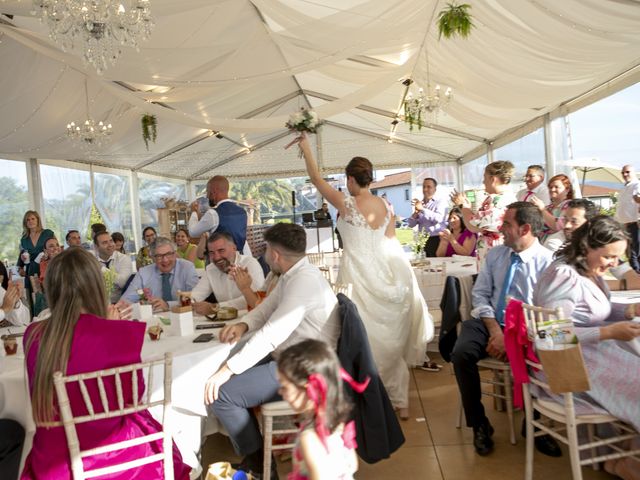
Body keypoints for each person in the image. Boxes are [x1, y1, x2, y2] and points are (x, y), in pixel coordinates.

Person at [21, 248, 191, 479]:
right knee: (159, 435)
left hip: (54, 458)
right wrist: (112, 329)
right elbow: (133, 397)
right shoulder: (113, 332)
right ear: (95, 286)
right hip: (111, 455)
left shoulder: (33, 334)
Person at [298, 134, 433, 420]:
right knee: (390, 343)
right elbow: (392, 245)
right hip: (386, 278)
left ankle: (367, 401)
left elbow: (315, 177)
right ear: (370, 179)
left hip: (357, 280)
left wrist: (306, 146)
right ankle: (400, 403)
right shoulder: (387, 208)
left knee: (363, 341)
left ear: (350, 179)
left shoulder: (346, 204)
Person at [204, 223, 341, 477]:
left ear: (275, 254)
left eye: (266, 249)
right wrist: (243, 324)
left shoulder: (303, 282)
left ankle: (261, 466)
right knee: (227, 369)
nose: (264, 254)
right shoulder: (295, 275)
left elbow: (272, 334)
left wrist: (227, 370)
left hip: (305, 367)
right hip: (296, 355)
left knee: (223, 394)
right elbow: (265, 311)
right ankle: (256, 457)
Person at [533, 216, 640, 480]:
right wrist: (608, 332)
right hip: (565, 365)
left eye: (618, 258)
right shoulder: (563, 276)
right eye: (609, 257)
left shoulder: (587, 272)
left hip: (589, 354)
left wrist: (628, 310)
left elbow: (591, 312)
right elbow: (548, 335)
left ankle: (624, 454)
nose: (614, 264)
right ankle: (623, 459)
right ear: (585, 248)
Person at [451, 202, 558, 457]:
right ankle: (479, 424)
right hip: (489, 322)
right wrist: (496, 332)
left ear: (525, 228)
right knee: (461, 353)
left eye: (507, 224)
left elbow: (547, 311)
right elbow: (480, 295)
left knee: (547, 351)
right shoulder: (496, 255)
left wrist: (511, 335)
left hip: (526, 327)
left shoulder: (548, 263)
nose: (500, 228)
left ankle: (535, 423)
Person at [277, 339, 358, 480]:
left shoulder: (309, 438)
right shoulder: (337, 423)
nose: (280, 392)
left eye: (285, 387)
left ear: (309, 390)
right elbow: (353, 464)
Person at [451, 161, 517, 263]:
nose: (483, 182)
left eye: (485, 178)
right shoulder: (507, 197)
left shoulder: (497, 201)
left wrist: (463, 206)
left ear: (492, 179)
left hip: (496, 252)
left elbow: (474, 225)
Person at [191, 232, 264, 314]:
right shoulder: (211, 269)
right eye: (211, 253)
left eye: (221, 250)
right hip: (224, 322)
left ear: (234, 248)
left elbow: (257, 299)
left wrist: (216, 308)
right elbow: (196, 295)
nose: (216, 257)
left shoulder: (250, 264)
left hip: (251, 320)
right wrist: (187, 301)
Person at [123, 237, 199, 312]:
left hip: (184, 317)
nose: (165, 260)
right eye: (159, 256)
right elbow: (125, 301)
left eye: (169, 254)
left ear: (175, 254)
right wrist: (141, 305)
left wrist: (168, 305)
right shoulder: (143, 272)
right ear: (152, 258)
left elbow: (196, 298)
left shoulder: (187, 267)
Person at [188, 176, 250, 255]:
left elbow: (193, 232)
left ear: (213, 192)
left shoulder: (213, 214)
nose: (207, 196)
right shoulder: (242, 212)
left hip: (222, 260)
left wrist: (194, 212)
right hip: (242, 257)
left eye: (208, 192)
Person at [16, 210, 54, 306]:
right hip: (31, 271)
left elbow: (56, 247)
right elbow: (22, 254)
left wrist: (48, 255)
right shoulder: (24, 239)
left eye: (33, 218)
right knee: (35, 299)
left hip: (47, 269)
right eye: (27, 220)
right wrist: (20, 265)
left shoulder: (47, 233)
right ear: (25, 223)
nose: (30, 221)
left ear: (38, 220)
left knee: (49, 297)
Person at [407, 177, 447, 257]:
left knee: (437, 266)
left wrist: (423, 209)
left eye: (429, 187)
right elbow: (411, 224)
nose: (425, 189)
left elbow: (439, 218)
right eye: (424, 187)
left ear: (435, 189)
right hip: (423, 240)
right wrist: (416, 213)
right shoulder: (420, 204)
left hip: (437, 239)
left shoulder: (440, 202)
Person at [530, 173, 574, 241]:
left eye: (556, 187)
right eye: (550, 187)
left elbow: (558, 226)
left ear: (567, 189)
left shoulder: (570, 206)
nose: (552, 189)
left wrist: (542, 209)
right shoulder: (549, 207)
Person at [94, 231, 133, 303]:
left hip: (119, 303)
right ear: (96, 247)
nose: (110, 245)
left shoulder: (124, 259)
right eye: (105, 243)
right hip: (98, 304)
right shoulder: (92, 261)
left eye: (111, 241)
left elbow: (123, 282)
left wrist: (101, 269)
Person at [616, 165, 640, 272]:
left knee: (636, 252)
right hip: (625, 224)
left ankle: (637, 273)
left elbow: (638, 199)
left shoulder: (637, 185)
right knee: (630, 252)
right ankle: (636, 274)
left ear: (634, 172)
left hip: (635, 223)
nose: (625, 175)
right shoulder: (625, 187)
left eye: (627, 172)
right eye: (623, 173)